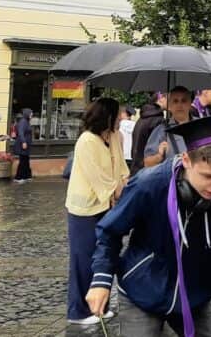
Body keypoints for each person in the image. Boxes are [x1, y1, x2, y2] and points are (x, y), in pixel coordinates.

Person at [86, 114, 211, 336]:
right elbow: (109, 231)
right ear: (186, 160)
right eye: (209, 176)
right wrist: (101, 280)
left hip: (196, 295)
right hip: (142, 289)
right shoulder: (149, 184)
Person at [66, 98, 130, 325]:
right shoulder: (86, 141)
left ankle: (99, 306)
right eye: (119, 114)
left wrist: (125, 181)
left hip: (108, 205)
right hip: (85, 208)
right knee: (83, 258)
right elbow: (97, 177)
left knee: (105, 255)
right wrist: (115, 192)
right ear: (108, 116)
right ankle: (78, 311)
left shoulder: (111, 137)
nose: (122, 118)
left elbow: (121, 166)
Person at [143, 87, 195, 169]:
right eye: (175, 101)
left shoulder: (200, 125)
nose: (179, 105)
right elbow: (147, 164)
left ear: (190, 103)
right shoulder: (161, 130)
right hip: (171, 180)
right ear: (170, 105)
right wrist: (159, 155)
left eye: (184, 101)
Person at [130, 94, 164, 175]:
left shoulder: (143, 117)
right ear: (161, 99)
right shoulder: (158, 120)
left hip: (136, 164)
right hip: (148, 169)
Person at [13, 108, 34, 183]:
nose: (32, 115)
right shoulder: (23, 122)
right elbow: (21, 133)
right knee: (23, 161)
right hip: (22, 145)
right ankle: (18, 177)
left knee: (26, 160)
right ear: (27, 114)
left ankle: (27, 176)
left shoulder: (27, 122)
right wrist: (24, 142)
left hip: (26, 145)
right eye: (31, 113)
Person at [118, 107, 135, 172]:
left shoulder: (119, 125)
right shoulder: (135, 125)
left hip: (123, 155)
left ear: (124, 113)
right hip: (132, 155)